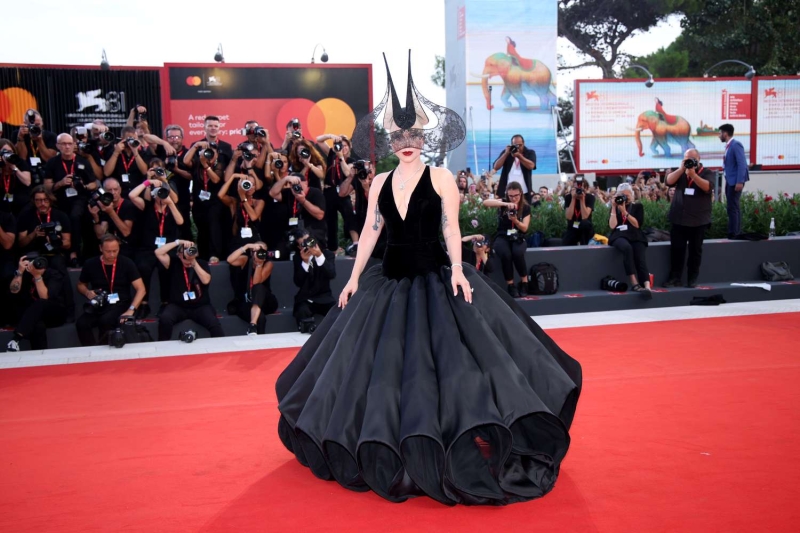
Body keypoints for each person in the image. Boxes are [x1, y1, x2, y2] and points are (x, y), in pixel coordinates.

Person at [275, 51, 581, 506]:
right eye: (399, 135)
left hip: (435, 281)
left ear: (426, 135)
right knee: (382, 371)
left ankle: (448, 436)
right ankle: (397, 443)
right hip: (387, 283)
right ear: (390, 139)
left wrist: (458, 270)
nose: (407, 142)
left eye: (414, 133)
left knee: (444, 366)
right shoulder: (378, 182)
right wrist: (354, 279)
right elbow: (370, 235)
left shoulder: (441, 178)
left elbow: (451, 229)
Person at [128, 162, 185, 318]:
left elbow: (180, 222)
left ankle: (166, 302)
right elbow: (132, 195)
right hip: (147, 248)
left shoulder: (171, 206)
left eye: (163, 192)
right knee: (143, 266)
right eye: (158, 193)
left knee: (165, 267)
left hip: (167, 247)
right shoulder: (147, 206)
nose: (160, 196)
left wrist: (169, 203)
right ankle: (144, 304)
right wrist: (148, 181)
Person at [76, 234, 145, 346]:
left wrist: (131, 310)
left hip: (121, 303)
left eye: (115, 250)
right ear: (100, 248)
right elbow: (80, 285)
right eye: (108, 251)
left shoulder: (127, 263)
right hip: (99, 303)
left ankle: (103, 350)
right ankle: (90, 349)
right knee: (81, 323)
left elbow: (141, 289)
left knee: (106, 321)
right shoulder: (90, 264)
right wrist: (87, 292)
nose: (112, 254)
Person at [44, 133, 100, 266]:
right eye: (63, 144)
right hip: (59, 199)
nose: (67, 147)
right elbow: (47, 186)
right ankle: (68, 252)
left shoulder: (82, 161)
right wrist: (61, 183)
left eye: (70, 143)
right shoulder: (52, 162)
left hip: (80, 198)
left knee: (76, 216)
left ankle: (76, 252)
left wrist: (83, 184)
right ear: (58, 146)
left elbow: (94, 183)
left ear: (74, 145)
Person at [663, 149, 714, 288]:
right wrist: (681, 169)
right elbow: (668, 181)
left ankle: (692, 279)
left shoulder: (707, 172)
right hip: (679, 218)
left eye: (692, 159)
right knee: (677, 250)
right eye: (686, 159)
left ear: (699, 159)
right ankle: (675, 278)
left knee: (695, 251)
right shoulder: (680, 171)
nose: (689, 162)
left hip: (698, 219)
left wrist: (693, 175)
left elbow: (708, 187)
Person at [154, 239, 224, 341]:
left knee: (214, 322)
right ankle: (162, 348)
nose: (187, 259)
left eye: (190, 253)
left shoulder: (202, 263)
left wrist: (193, 262)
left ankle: (221, 348)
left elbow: (206, 280)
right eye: (184, 256)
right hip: (178, 306)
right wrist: (179, 242)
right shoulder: (174, 263)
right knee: (165, 318)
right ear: (178, 255)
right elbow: (158, 252)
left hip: (200, 306)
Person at [6, 253, 68, 352]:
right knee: (38, 325)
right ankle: (39, 356)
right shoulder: (24, 273)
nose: (36, 265)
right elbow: (14, 290)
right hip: (32, 316)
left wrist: (37, 276)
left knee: (40, 303)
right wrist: (20, 272)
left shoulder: (54, 274)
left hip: (53, 313)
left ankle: (16, 338)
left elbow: (44, 298)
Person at [482, 182, 531, 297]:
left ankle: (525, 282)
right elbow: (485, 202)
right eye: (511, 196)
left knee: (517, 252)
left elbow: (524, 228)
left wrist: (515, 221)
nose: (513, 198)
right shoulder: (504, 203)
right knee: (505, 253)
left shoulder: (525, 207)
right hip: (503, 236)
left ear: (521, 194)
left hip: (518, 236)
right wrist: (505, 203)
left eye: (516, 195)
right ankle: (511, 284)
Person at [315, 133, 357, 253]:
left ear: (349, 147)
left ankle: (355, 243)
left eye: (345, 146)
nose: (343, 148)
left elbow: (348, 172)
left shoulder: (350, 160)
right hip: (329, 191)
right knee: (330, 221)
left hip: (342, 192)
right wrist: (331, 136)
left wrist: (341, 158)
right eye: (340, 145)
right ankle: (332, 248)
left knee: (349, 214)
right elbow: (319, 140)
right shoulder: (331, 154)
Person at [608, 183, 651, 299]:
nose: (625, 198)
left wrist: (625, 212)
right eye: (622, 195)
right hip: (619, 235)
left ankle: (647, 286)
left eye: (627, 195)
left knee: (640, 255)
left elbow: (637, 224)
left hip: (635, 234)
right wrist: (614, 207)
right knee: (627, 248)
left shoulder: (637, 207)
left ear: (632, 196)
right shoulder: (615, 207)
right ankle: (634, 282)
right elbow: (612, 226)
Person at [226, 242, 279, 336]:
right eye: (256, 251)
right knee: (261, 318)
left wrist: (259, 265)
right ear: (251, 252)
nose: (259, 253)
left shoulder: (268, 263)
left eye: (262, 251)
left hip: (265, 301)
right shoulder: (246, 260)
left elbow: (256, 282)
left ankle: (252, 324)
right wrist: (246, 246)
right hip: (247, 301)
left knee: (258, 287)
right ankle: (254, 328)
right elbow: (230, 260)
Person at [291, 230, 336, 333]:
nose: (308, 245)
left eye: (309, 241)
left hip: (324, 297)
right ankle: (309, 327)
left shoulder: (327, 254)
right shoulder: (297, 258)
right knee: (302, 311)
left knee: (336, 310)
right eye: (303, 244)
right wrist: (305, 262)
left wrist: (319, 256)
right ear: (299, 247)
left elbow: (331, 274)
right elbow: (298, 282)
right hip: (306, 298)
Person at [269, 172, 327, 250]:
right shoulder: (290, 193)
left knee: (307, 245)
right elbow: (272, 193)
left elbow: (320, 215)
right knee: (280, 251)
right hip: (294, 232)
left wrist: (303, 201)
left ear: (306, 182)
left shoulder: (316, 192)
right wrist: (286, 179)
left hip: (313, 231)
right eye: (293, 185)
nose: (297, 187)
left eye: (298, 183)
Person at [90, 177, 138, 259]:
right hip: (110, 246)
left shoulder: (128, 205)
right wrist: (96, 219)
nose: (113, 193)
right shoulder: (104, 206)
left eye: (115, 189)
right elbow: (100, 235)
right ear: (104, 191)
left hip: (128, 246)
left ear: (120, 190)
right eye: (109, 190)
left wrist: (111, 212)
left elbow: (126, 232)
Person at [718, 123, 749, 238]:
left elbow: (742, 164)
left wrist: (740, 181)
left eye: (720, 133)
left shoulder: (736, 145)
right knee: (732, 206)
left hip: (735, 181)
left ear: (725, 133)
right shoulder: (729, 146)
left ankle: (734, 233)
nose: (719, 136)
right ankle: (734, 231)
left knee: (733, 207)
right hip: (730, 180)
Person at [492, 134, 537, 202]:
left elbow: (531, 166)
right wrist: (506, 153)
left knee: (524, 211)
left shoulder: (530, 152)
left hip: (524, 191)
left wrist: (519, 156)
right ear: (512, 144)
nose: (518, 147)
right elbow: (496, 167)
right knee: (505, 211)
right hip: (507, 191)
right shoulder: (507, 152)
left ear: (524, 143)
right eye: (516, 145)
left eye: (520, 145)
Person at [0, 139, 32, 216]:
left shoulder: (20, 162)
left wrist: (13, 167)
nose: (7, 154)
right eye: (4, 151)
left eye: (10, 151)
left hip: (21, 204)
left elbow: (27, 182)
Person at [562, 175, 595, 246]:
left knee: (584, 224)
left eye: (580, 188)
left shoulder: (590, 197)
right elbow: (568, 217)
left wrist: (582, 200)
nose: (578, 190)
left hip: (586, 227)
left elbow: (585, 217)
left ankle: (584, 247)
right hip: (573, 226)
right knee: (566, 240)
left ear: (585, 189)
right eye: (575, 188)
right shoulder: (568, 197)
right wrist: (573, 199)